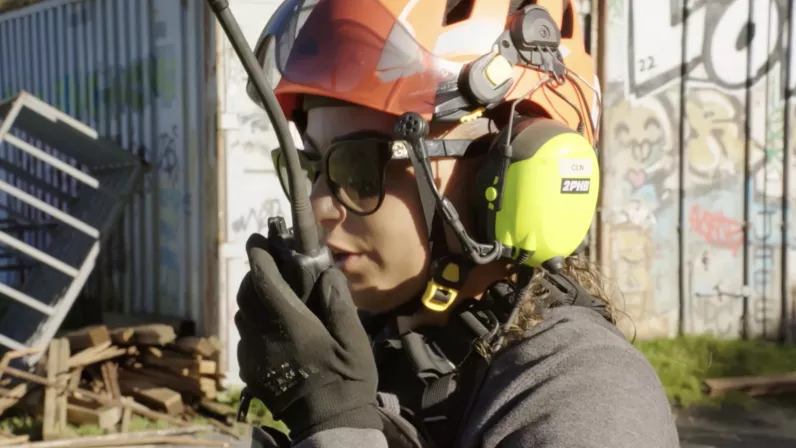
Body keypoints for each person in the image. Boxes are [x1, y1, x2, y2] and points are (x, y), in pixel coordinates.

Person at [233, 0, 681, 447]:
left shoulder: (587, 396)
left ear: (502, 176)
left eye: (358, 169)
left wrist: (335, 424)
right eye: (311, 167)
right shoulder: (383, 353)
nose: (317, 206)